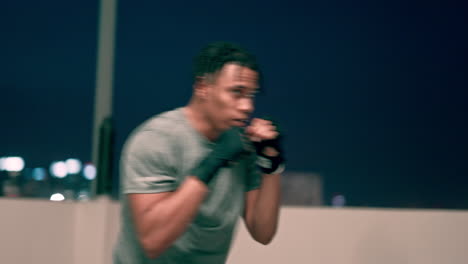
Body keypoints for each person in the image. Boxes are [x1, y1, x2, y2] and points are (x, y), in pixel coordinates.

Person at [113, 41, 285, 264]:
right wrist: (214, 161)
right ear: (203, 87)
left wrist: (271, 163)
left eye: (251, 95)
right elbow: (153, 241)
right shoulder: (156, 139)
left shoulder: (241, 146)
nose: (247, 106)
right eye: (237, 92)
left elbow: (263, 233)